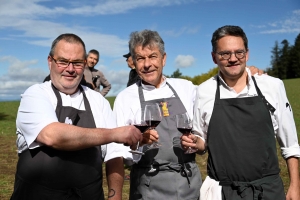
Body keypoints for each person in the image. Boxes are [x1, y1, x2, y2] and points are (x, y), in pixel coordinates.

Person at [10, 33, 143, 200]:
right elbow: (52, 135)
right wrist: (114, 134)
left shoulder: (98, 101)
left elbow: (113, 154)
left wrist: (114, 196)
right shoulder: (36, 94)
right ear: (50, 61)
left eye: (77, 63)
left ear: (85, 64)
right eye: (63, 61)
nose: (70, 69)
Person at [184, 25, 300, 200]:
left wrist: (295, 187)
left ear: (247, 54)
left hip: (267, 191)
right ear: (214, 57)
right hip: (223, 192)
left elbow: (290, 144)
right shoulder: (204, 91)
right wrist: (194, 142)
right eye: (224, 54)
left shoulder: (272, 86)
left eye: (239, 52)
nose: (233, 59)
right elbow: (202, 143)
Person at [113, 29, 202, 200]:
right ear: (133, 62)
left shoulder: (186, 88)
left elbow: (203, 127)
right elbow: (117, 152)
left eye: (153, 56)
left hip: (189, 185)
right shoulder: (125, 98)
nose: (147, 64)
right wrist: (139, 142)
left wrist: (249, 74)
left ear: (164, 58)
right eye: (140, 58)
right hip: (147, 187)